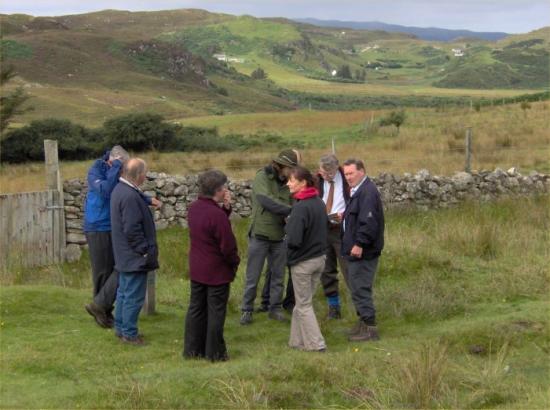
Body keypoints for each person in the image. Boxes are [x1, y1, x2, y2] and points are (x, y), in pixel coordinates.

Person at [83, 146, 160, 328]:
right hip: (97, 226)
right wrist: (116, 166)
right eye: (121, 164)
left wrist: (147, 200)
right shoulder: (96, 170)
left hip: (112, 225)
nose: (123, 168)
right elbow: (107, 191)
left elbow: (127, 187)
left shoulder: (115, 171)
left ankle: (102, 306)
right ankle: (101, 310)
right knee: (102, 271)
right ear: (114, 159)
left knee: (118, 267)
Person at [184, 170, 240, 362]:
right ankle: (215, 352)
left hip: (197, 267)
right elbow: (227, 246)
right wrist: (234, 263)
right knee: (216, 311)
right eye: (224, 186)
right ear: (218, 190)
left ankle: (192, 349)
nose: (226, 189)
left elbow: (209, 225)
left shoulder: (194, 208)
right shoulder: (216, 215)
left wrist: (225, 208)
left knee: (196, 309)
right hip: (216, 270)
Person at [240, 149, 298, 325]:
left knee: (278, 276)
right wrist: (290, 210)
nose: (292, 172)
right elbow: (266, 200)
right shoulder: (262, 177)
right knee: (253, 276)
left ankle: (275, 308)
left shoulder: (289, 182)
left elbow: (294, 200)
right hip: (260, 234)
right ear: (282, 166)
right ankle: (247, 310)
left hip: (279, 235)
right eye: (290, 168)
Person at [110, 158, 159, 345]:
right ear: (139, 175)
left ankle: (120, 328)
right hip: (133, 255)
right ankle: (129, 334)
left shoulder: (119, 190)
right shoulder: (129, 196)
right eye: (144, 173)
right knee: (133, 295)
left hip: (123, 253)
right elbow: (131, 228)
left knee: (123, 292)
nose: (145, 176)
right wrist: (144, 251)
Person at [341, 159, 385, 342]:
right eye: (346, 174)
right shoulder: (358, 191)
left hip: (363, 251)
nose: (348, 177)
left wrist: (359, 243)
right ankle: (362, 324)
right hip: (356, 249)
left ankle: (370, 329)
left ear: (362, 171)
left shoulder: (367, 192)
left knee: (361, 288)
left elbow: (369, 222)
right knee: (356, 287)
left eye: (351, 173)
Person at [285, 166, 328, 351]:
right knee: (302, 302)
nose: (288, 183)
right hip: (319, 259)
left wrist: (288, 229)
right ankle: (296, 342)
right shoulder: (318, 202)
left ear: (303, 183)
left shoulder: (300, 207)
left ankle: (317, 345)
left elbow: (294, 240)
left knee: (303, 305)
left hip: (303, 263)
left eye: (291, 180)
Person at [317, 154, 350, 319]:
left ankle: (362, 308)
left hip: (342, 230)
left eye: (329, 173)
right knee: (326, 269)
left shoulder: (347, 180)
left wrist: (345, 215)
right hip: (323, 230)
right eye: (323, 172)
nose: (325, 176)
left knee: (349, 268)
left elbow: (357, 203)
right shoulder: (316, 180)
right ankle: (334, 307)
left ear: (336, 168)